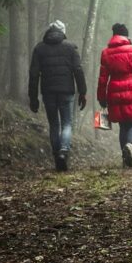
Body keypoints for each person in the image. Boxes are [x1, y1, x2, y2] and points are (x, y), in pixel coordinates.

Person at [29, 20, 87, 172]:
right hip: (66, 91)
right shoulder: (70, 47)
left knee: (54, 124)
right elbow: (78, 70)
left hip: (48, 92)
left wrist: (33, 97)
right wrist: (83, 92)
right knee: (67, 123)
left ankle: (57, 156)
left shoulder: (39, 49)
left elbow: (33, 74)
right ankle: (64, 152)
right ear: (63, 31)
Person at [97, 23, 132, 167]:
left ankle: (124, 157)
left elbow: (103, 78)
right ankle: (129, 145)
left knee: (123, 126)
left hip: (114, 91)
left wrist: (101, 97)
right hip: (131, 89)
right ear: (126, 35)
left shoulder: (105, 53)